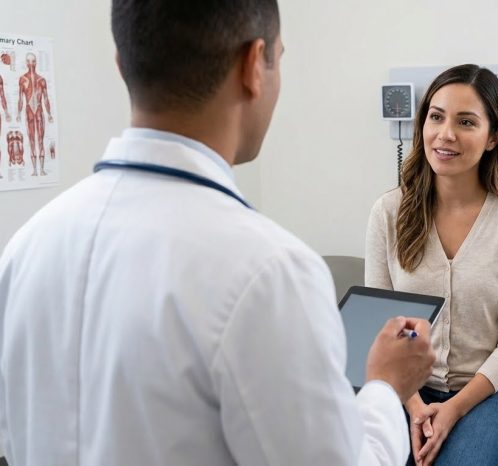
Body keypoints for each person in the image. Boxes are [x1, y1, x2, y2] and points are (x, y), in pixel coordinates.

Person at [0, 1, 435, 465]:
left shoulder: (26, 247)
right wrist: (386, 388)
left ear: (122, 64)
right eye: (279, 59)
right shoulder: (269, 272)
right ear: (254, 65)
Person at [365, 64, 498, 466]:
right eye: (436, 116)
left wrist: (453, 409)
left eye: (466, 122)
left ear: (493, 137)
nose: (446, 134)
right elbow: (382, 327)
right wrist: (414, 406)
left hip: (492, 396)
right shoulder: (388, 212)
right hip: (404, 391)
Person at [17, 52, 54, 176]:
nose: (31, 64)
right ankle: (34, 170)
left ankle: (42, 169)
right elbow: (20, 98)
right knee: (31, 140)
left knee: (40, 140)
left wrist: (49, 114)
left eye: (33, 61)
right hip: (29, 112)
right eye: (29, 61)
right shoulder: (22, 80)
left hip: (39, 112)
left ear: (36, 62)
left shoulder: (41, 80)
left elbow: (46, 98)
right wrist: (18, 113)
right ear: (26, 63)